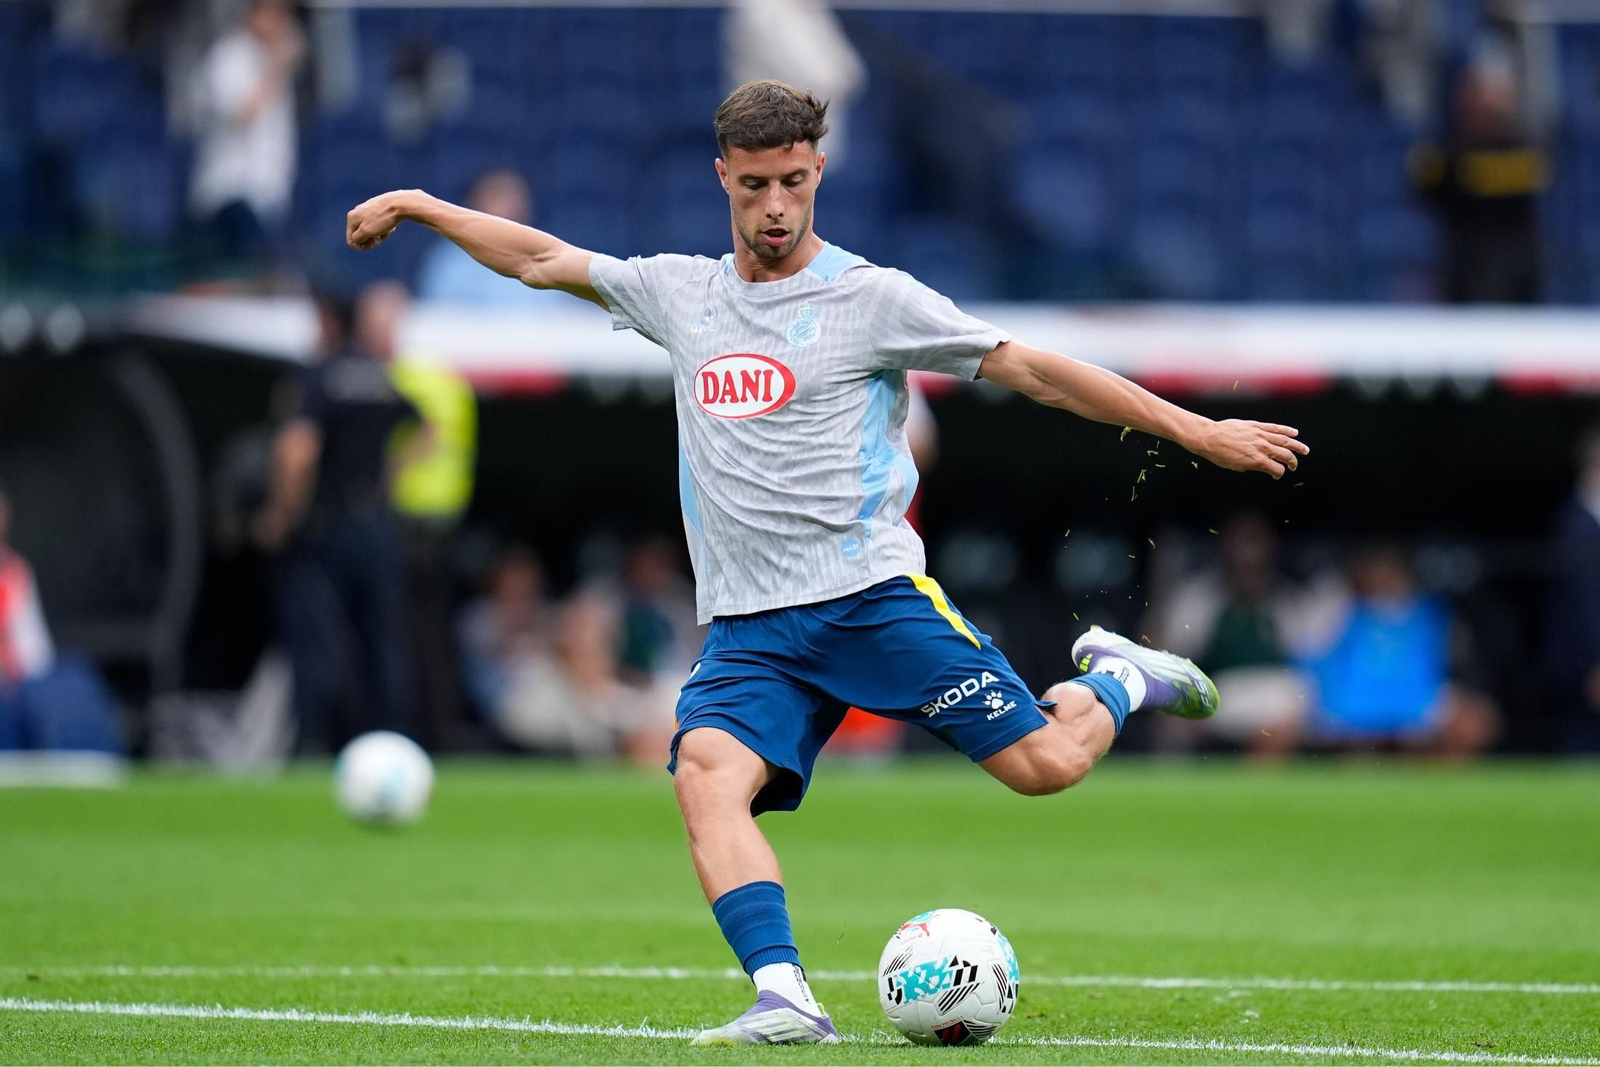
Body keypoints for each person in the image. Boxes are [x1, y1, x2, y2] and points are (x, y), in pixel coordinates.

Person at [345, 79, 1308, 1045]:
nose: (775, 207)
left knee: (1047, 766)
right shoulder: (682, 294)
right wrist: (425, 207)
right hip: (750, 629)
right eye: (756, 184)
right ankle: (785, 996)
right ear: (723, 176)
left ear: (819, 173)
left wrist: (1195, 427)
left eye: (794, 183)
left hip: (870, 600)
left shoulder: (868, 298)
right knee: (704, 776)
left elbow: (1033, 369)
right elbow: (542, 258)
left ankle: (1120, 678)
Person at [254, 283, 421, 752]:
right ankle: (394, 743)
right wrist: (387, 480)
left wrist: (281, 514)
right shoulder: (379, 375)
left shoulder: (318, 375)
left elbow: (296, 452)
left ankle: (315, 744)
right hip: (377, 525)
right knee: (384, 642)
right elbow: (425, 428)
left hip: (328, 527)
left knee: (316, 637)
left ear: (328, 320)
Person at [188, 0, 304, 273]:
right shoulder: (228, 56)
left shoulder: (272, 60)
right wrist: (278, 67)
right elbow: (240, 115)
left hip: (268, 195)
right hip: (230, 194)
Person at [415, 170, 574, 310]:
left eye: (512, 199)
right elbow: (436, 319)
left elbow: (559, 318)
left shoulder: (547, 255)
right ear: (475, 205)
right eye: (496, 197)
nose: (505, 209)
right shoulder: (449, 260)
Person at [1544, 427, 1600, 752]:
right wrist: (1594, 662)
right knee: (1583, 746)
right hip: (1582, 666)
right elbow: (1582, 603)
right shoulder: (1574, 524)